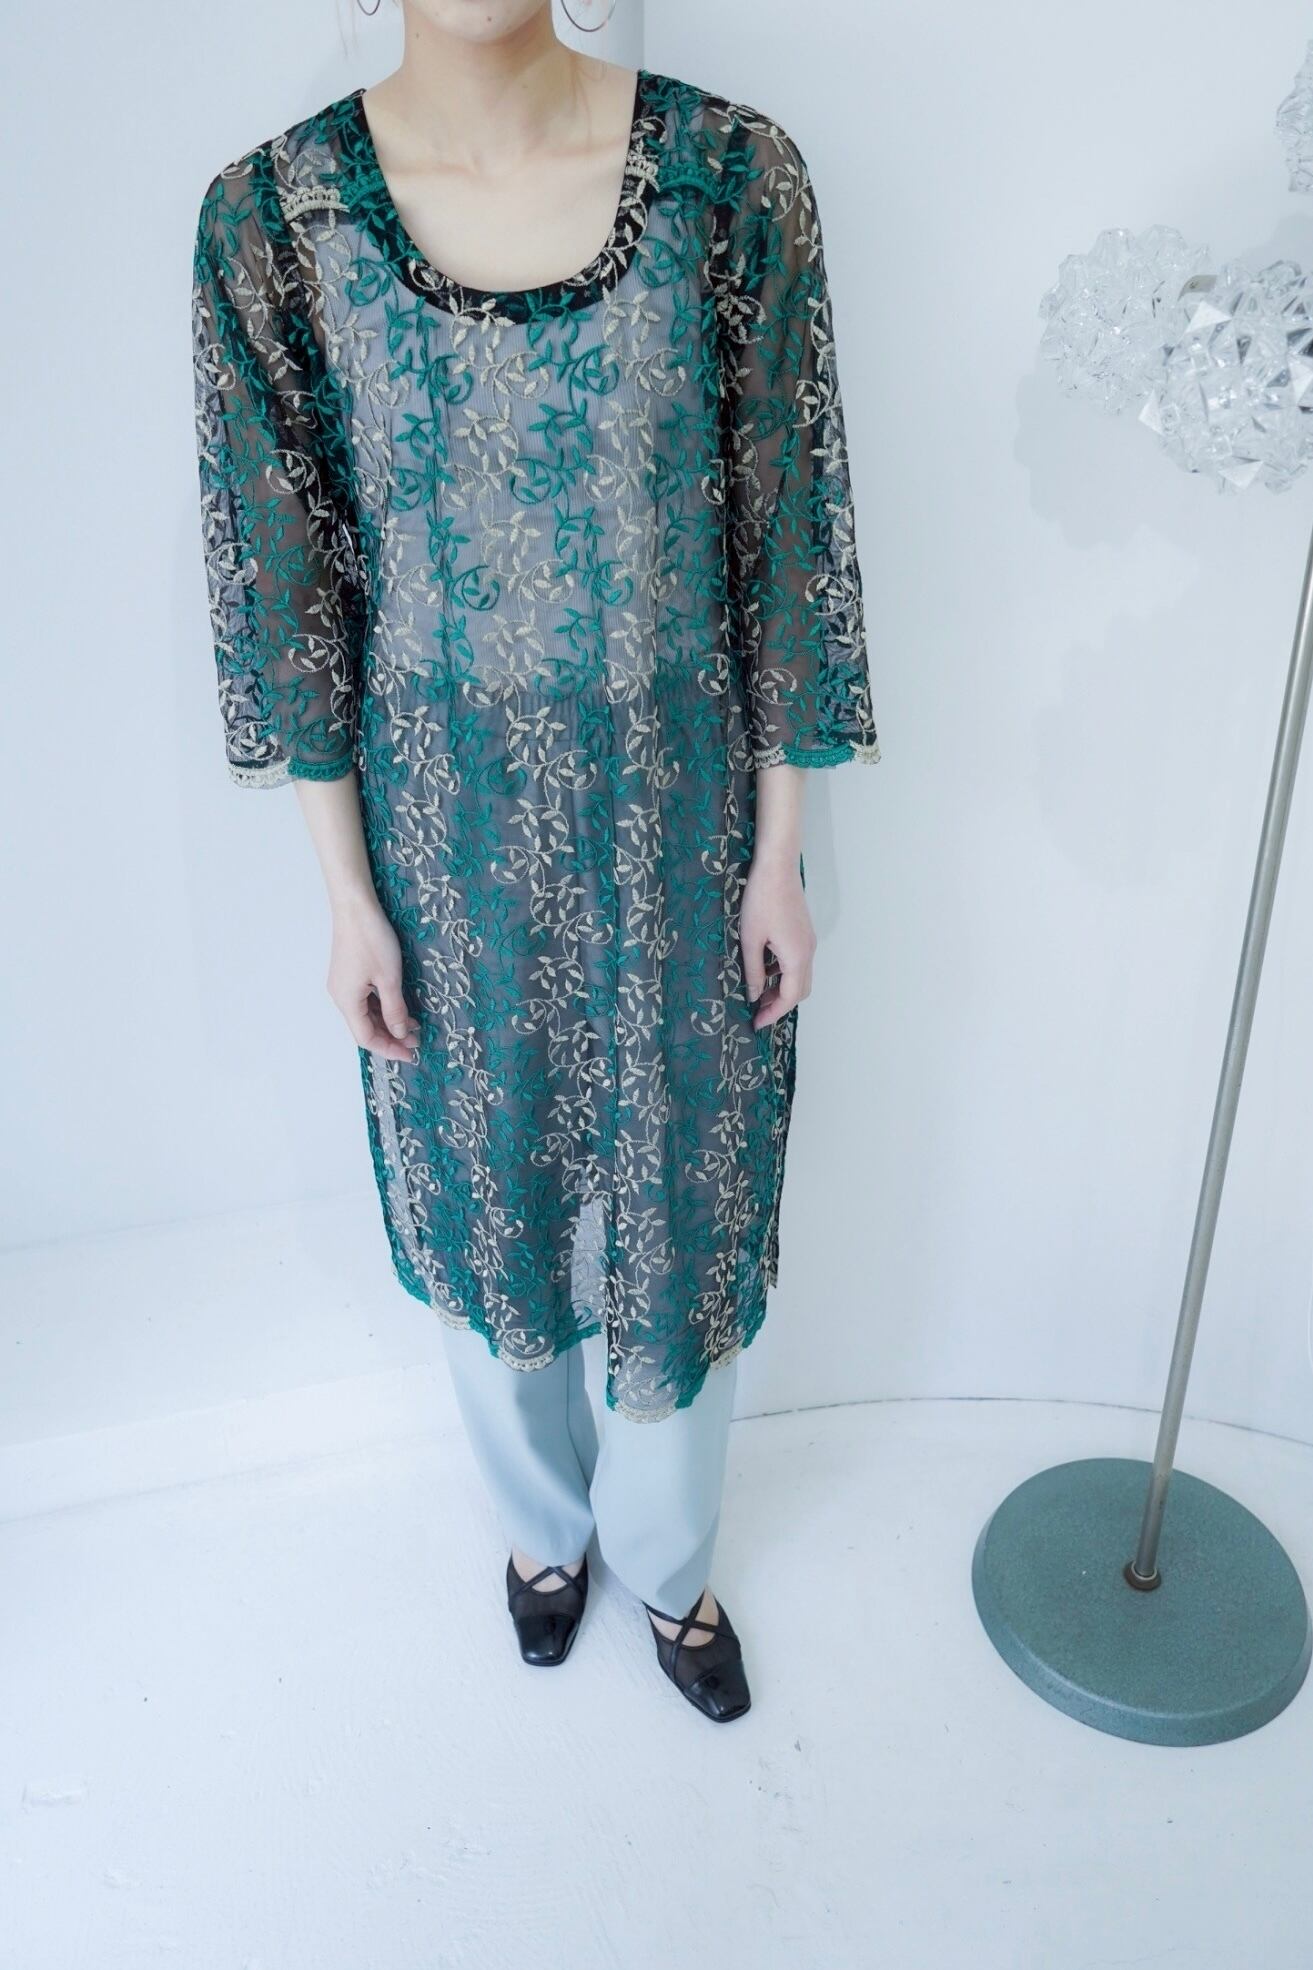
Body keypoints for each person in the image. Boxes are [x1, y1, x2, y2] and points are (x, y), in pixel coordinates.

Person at [189, 1, 880, 1724]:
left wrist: (781, 854)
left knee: (681, 1200)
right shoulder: (272, 218)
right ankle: (536, 1534)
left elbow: (788, 532)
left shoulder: (731, 178)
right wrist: (348, 896)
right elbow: (286, 590)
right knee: (485, 1197)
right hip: (441, 838)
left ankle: (668, 1555)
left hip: (685, 823)